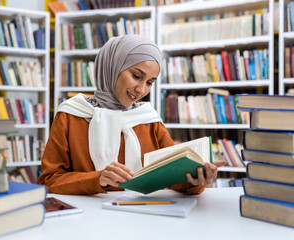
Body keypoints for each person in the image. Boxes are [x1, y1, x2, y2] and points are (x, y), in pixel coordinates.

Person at [38, 35, 226, 195]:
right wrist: (98, 179)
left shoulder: (149, 119)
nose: (141, 89)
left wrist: (195, 180)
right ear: (113, 67)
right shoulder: (71, 114)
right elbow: (50, 180)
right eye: (136, 76)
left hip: (143, 220)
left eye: (150, 82)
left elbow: (172, 178)